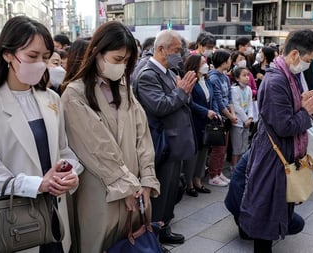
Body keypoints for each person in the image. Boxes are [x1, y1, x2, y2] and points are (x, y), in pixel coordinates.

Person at [0, 16, 82, 253]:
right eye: (32, 56)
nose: (40, 64)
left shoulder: (52, 100)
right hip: (12, 224)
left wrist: (70, 172)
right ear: (8, 54)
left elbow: (64, 151)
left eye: (45, 57)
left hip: (54, 216)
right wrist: (38, 184)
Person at [61, 21, 160, 252]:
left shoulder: (125, 88)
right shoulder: (74, 94)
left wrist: (146, 179)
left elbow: (142, 137)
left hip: (134, 187)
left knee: (132, 241)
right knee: (99, 242)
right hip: (100, 189)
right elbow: (96, 147)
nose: (122, 66)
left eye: (126, 61)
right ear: (97, 53)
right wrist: (126, 185)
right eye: (117, 59)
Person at [239, 30, 313, 253]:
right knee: (266, 210)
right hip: (272, 156)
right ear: (295, 54)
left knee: (272, 208)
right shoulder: (277, 79)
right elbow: (284, 126)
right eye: (308, 60)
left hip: (279, 154)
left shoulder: (288, 74)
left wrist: (301, 104)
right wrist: (306, 111)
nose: (307, 65)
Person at [133, 29, 197, 245]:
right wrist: (181, 92)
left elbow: (180, 99)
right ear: (161, 49)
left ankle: (165, 226)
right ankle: (153, 236)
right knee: (161, 193)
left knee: (171, 190)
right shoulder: (148, 74)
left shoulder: (169, 72)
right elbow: (159, 106)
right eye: (176, 51)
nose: (179, 56)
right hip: (163, 142)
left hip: (176, 140)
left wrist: (184, 92)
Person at [183, 54, 217, 197]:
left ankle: (198, 180)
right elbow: (190, 102)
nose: (206, 65)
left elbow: (213, 98)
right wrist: (205, 112)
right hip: (195, 121)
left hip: (207, 122)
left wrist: (214, 111)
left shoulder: (207, 81)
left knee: (204, 152)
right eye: (203, 63)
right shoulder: (191, 81)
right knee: (193, 153)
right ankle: (189, 183)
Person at [208, 49, 237, 186]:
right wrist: (231, 116)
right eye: (229, 60)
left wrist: (233, 114)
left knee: (223, 147)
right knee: (218, 148)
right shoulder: (213, 78)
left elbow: (229, 97)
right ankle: (213, 175)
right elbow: (219, 102)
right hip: (219, 117)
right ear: (224, 62)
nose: (231, 62)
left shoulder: (225, 77)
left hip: (228, 116)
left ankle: (219, 172)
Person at [230, 66, 254, 166]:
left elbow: (250, 104)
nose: (247, 77)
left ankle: (241, 166)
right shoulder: (234, 89)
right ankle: (234, 166)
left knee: (244, 145)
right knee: (237, 146)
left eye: (248, 75)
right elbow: (236, 106)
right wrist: (245, 119)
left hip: (247, 121)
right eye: (244, 75)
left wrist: (251, 117)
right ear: (237, 78)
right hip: (238, 122)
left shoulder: (248, 89)